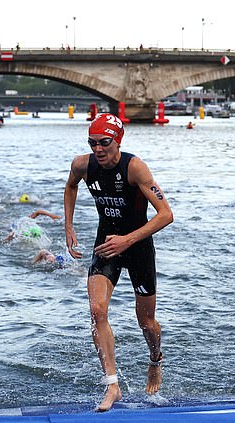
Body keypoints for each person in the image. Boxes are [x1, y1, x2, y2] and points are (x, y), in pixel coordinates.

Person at [64, 113, 174, 412]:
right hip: (106, 244)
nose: (98, 149)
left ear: (118, 141)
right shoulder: (83, 165)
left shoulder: (134, 167)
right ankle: (112, 384)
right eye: (92, 143)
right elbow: (71, 186)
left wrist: (127, 240)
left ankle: (155, 359)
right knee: (97, 310)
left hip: (137, 246)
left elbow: (166, 214)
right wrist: (69, 226)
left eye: (104, 143)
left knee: (146, 322)